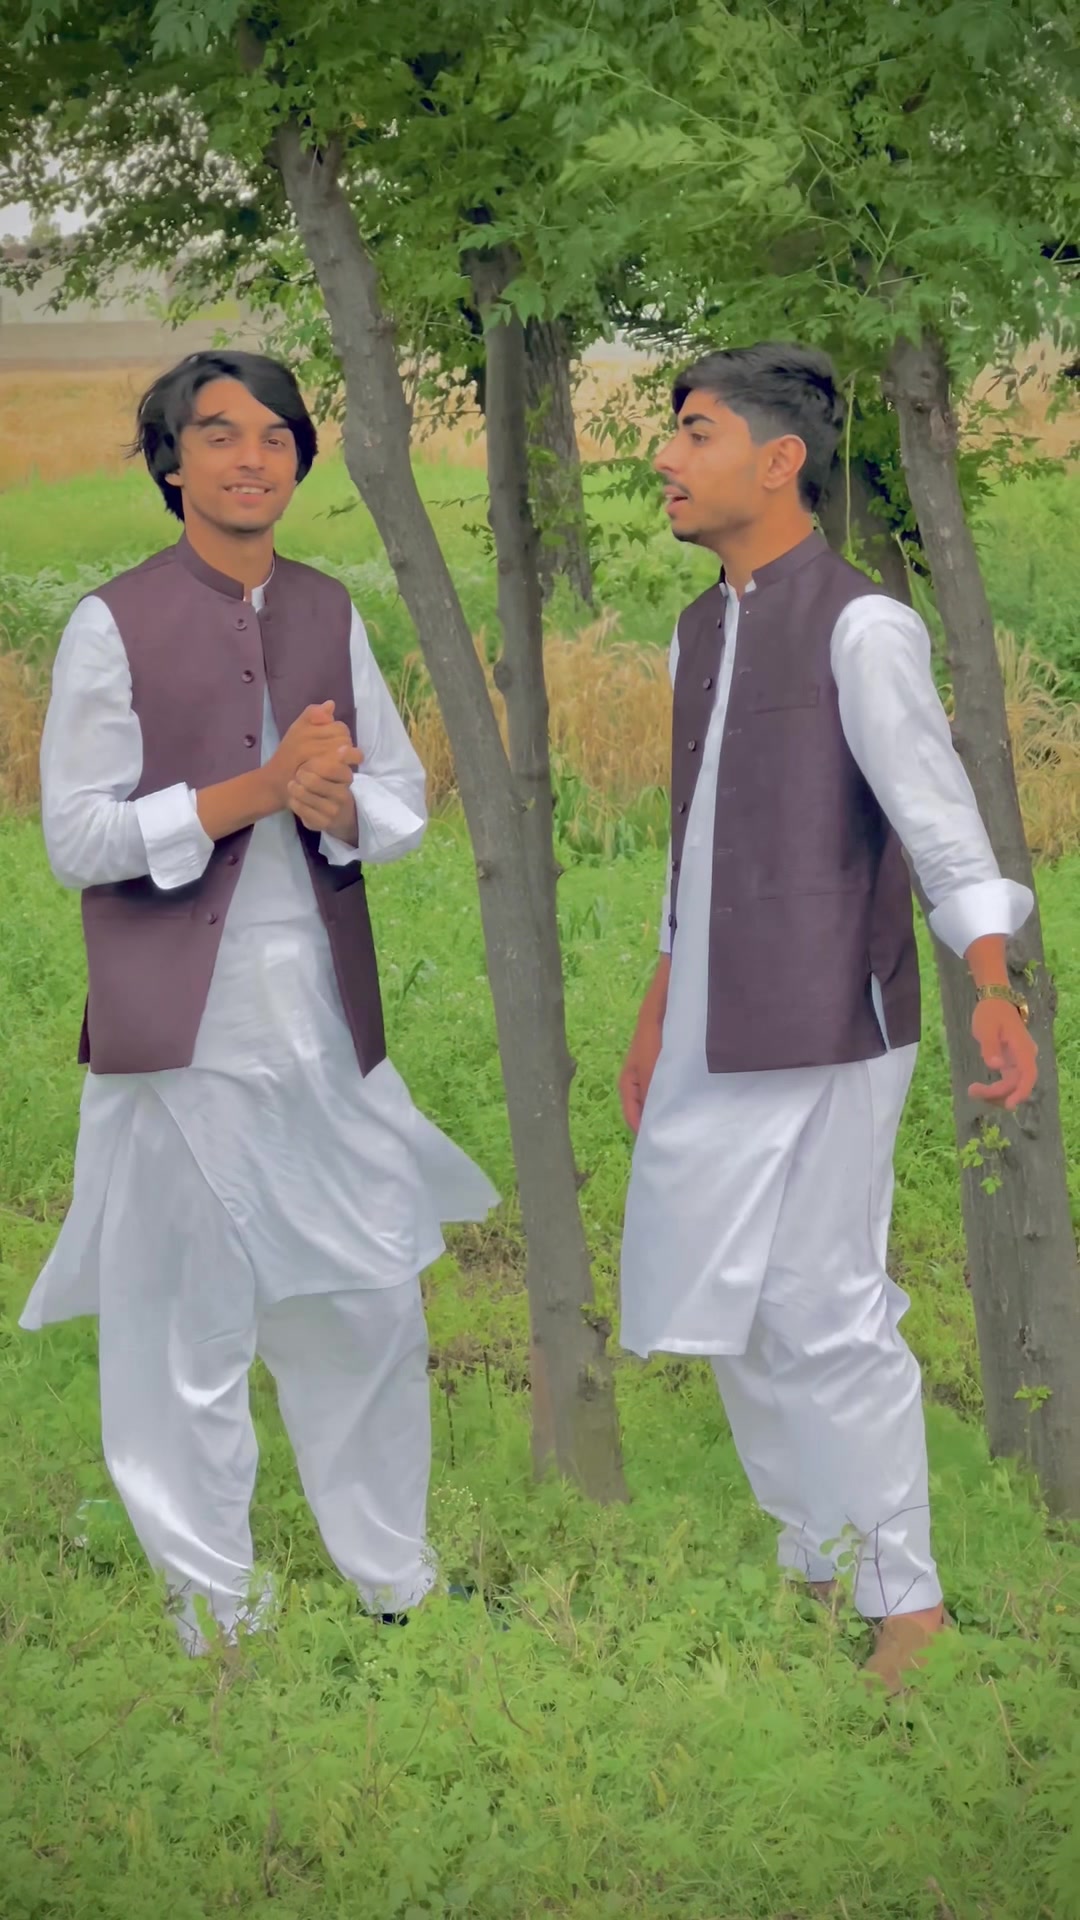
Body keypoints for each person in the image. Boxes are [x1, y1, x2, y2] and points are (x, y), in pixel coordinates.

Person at [22, 349, 498, 1651]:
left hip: (322, 1025)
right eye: (219, 434)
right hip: (182, 1034)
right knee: (186, 1329)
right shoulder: (112, 623)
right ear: (171, 462)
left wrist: (340, 807)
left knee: (369, 1300)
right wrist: (255, 791)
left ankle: (394, 1582)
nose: (251, 458)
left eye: (276, 437)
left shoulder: (330, 609)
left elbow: (401, 799)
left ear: (299, 459)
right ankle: (213, 1614)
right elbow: (76, 838)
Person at [618, 342, 1038, 1693]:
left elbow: (937, 817)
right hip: (710, 1016)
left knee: (826, 1303)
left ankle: (907, 1606)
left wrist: (991, 983)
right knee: (733, 1305)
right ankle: (816, 1561)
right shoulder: (700, 630)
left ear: (778, 459)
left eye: (695, 433)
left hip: (830, 1013)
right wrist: (660, 1004)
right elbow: (696, 846)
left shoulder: (863, 627)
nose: (668, 460)